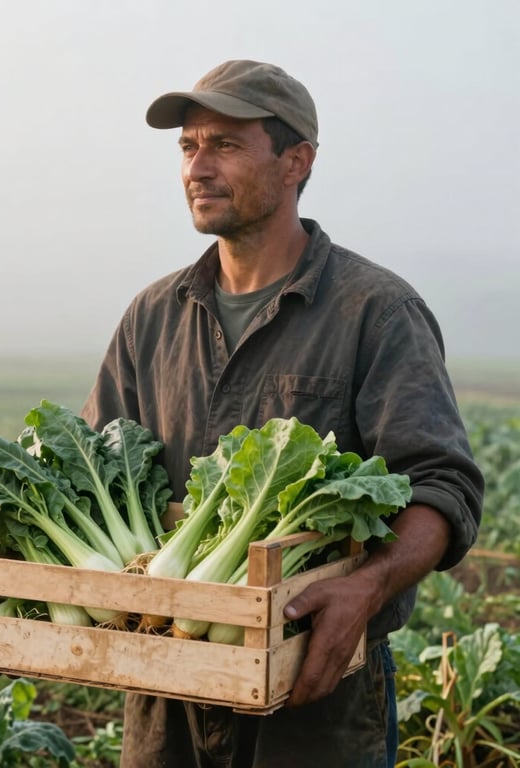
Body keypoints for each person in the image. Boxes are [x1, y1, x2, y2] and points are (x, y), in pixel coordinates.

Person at [81, 59, 483, 768]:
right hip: (162, 686)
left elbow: (442, 489)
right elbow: (96, 464)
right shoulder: (152, 316)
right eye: (187, 146)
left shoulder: (375, 312)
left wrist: (365, 587)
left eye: (226, 145)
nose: (198, 167)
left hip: (317, 691)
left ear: (297, 161)